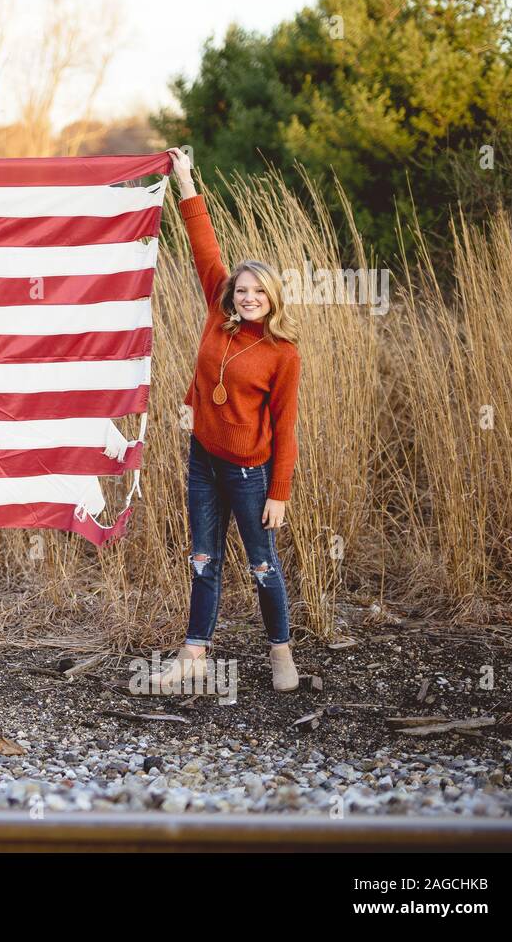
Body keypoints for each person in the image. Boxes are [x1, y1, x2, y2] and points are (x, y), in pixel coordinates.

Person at [150, 146, 302, 694]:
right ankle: (195, 654)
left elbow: (285, 428)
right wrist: (186, 178)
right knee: (202, 558)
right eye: (243, 289)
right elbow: (202, 241)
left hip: (248, 473)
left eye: (259, 291)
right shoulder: (220, 311)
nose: (249, 297)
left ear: (272, 298)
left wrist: (278, 491)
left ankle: (281, 654)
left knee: (262, 566)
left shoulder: (283, 354)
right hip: (202, 460)